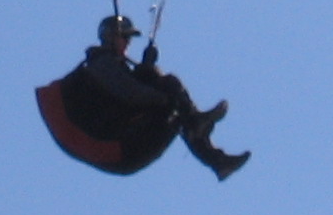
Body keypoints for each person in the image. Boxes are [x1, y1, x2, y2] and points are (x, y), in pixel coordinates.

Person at [34, 16, 250, 180]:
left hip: (121, 149)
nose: (128, 43)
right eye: (125, 37)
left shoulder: (109, 66)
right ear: (111, 37)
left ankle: (217, 160)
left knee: (166, 89)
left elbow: (129, 90)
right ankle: (197, 126)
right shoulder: (100, 65)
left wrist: (147, 70)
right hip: (117, 148)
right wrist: (166, 97)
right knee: (169, 93)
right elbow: (130, 93)